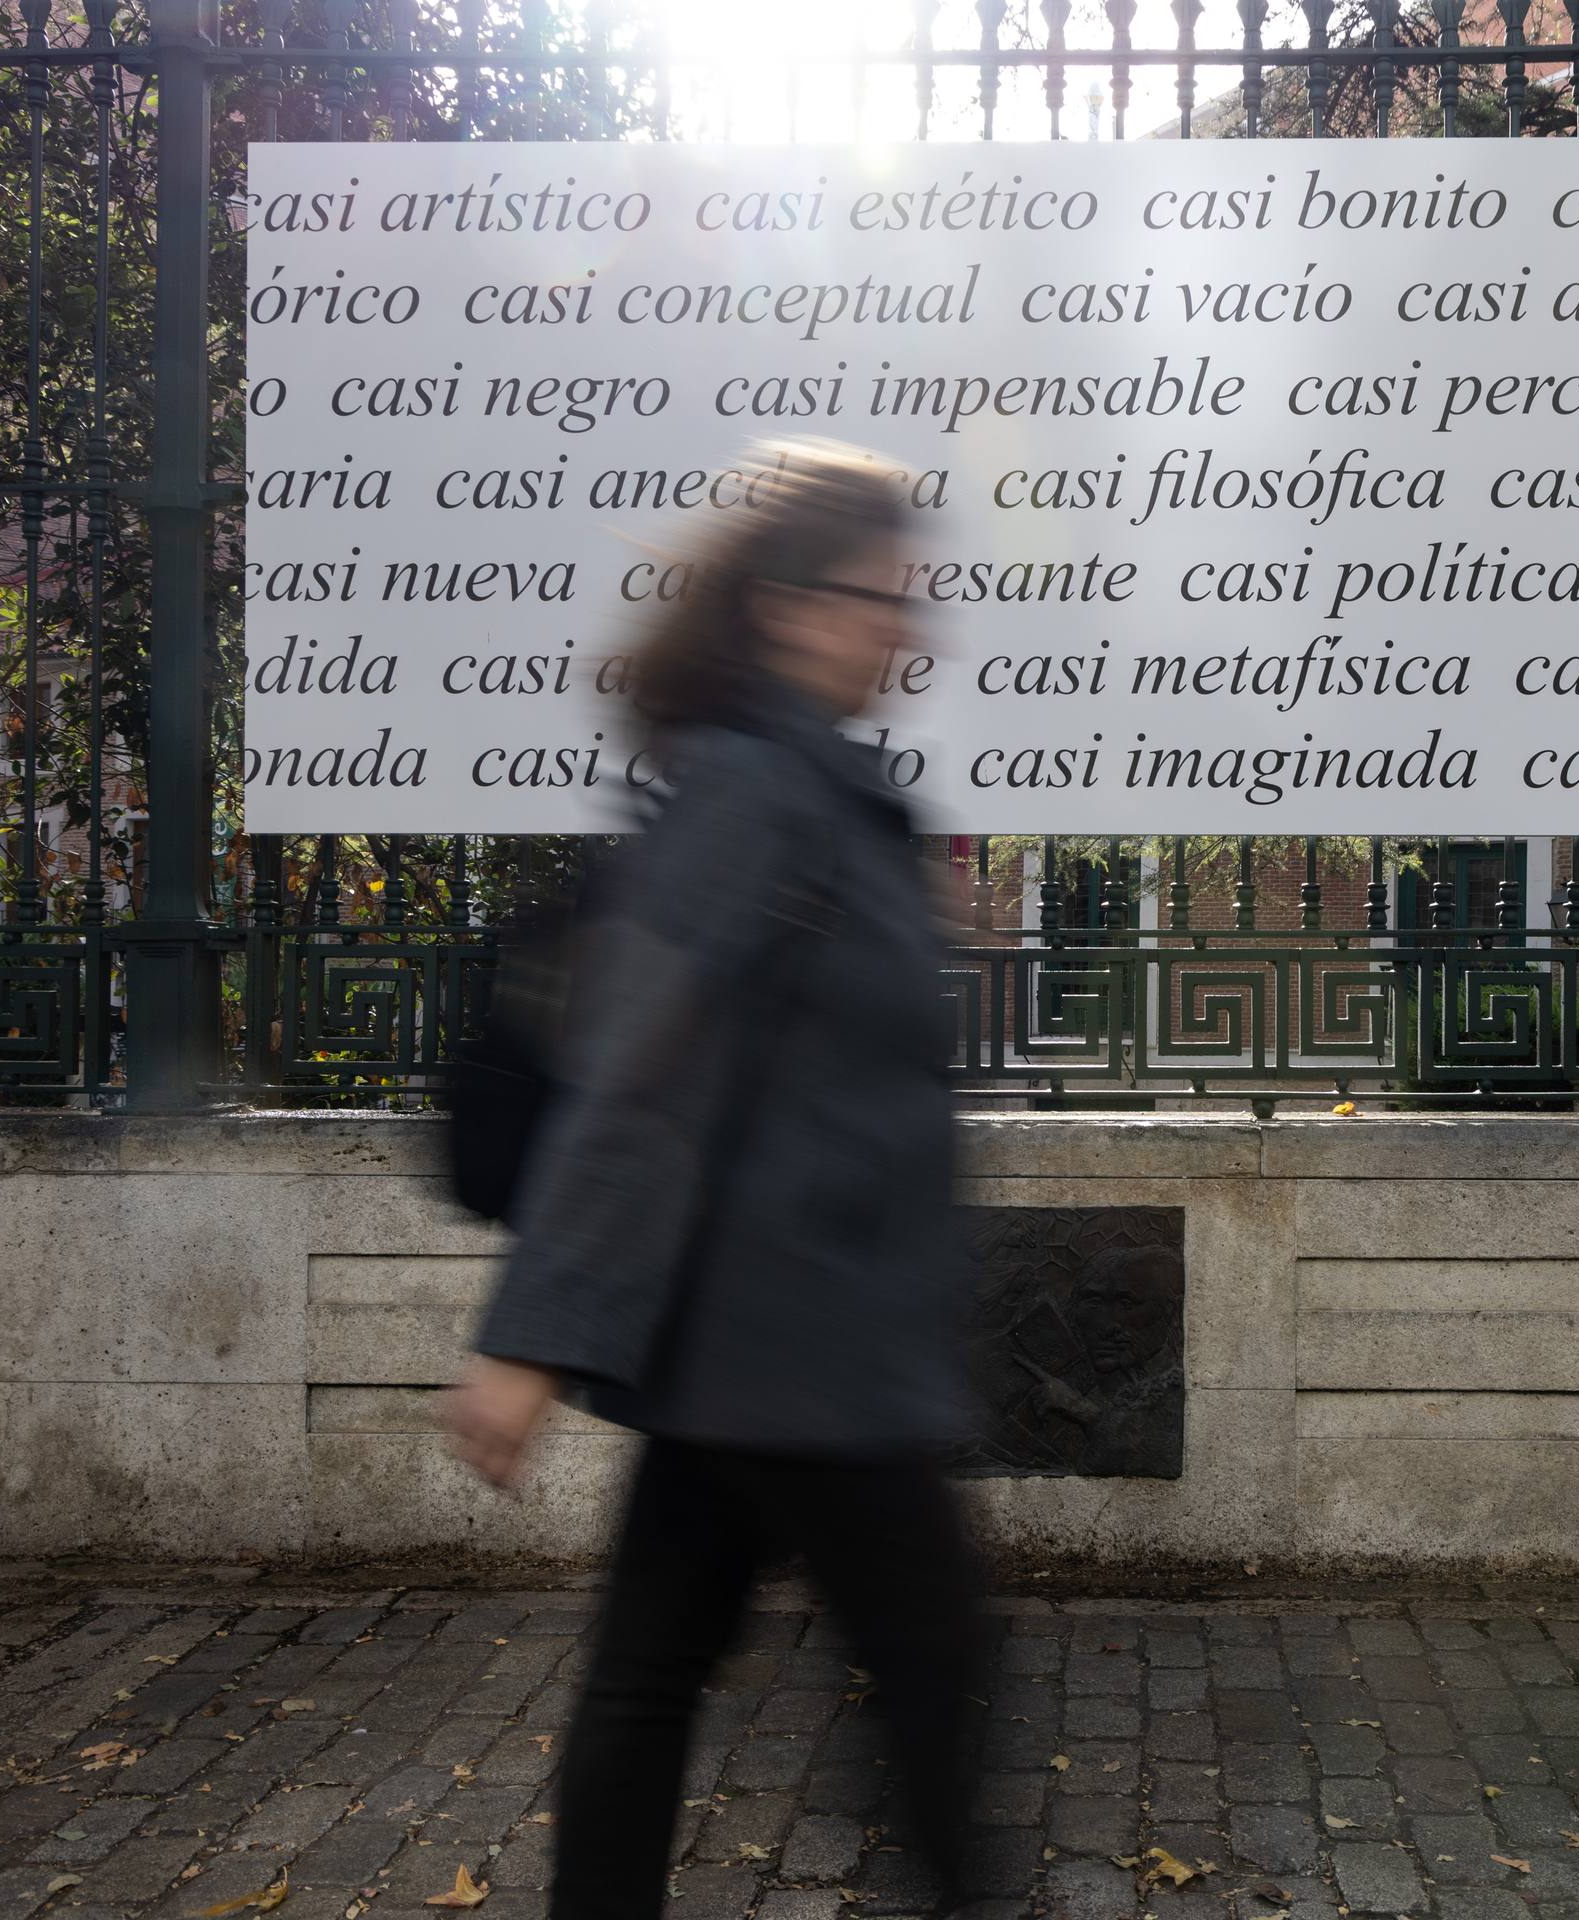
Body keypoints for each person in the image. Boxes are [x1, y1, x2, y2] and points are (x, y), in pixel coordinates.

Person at [437, 439, 984, 1919]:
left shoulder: (821, 794)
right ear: (791, 606)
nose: (908, 627)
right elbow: (637, 1080)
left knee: (648, 1681)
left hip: (754, 1343)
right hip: (799, 1350)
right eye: (886, 595)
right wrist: (525, 1346)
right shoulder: (755, 797)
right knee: (938, 1671)